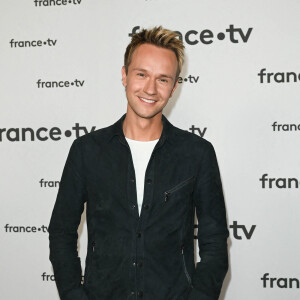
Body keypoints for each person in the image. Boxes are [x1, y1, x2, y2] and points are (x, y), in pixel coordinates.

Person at [49, 26, 229, 300]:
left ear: (174, 86)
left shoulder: (197, 154)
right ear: (124, 75)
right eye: (141, 74)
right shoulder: (87, 151)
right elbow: (61, 233)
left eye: (163, 79)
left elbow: (215, 243)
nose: (150, 89)